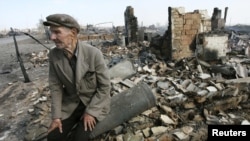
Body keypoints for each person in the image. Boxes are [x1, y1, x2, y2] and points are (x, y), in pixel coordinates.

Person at [43, 13, 111, 141]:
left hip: (93, 103)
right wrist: (56, 117)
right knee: (53, 137)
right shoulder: (53, 55)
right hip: (71, 104)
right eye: (51, 32)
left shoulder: (93, 54)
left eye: (57, 32)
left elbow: (105, 87)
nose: (52, 37)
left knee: (79, 138)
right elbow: (55, 87)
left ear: (73, 33)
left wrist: (91, 112)